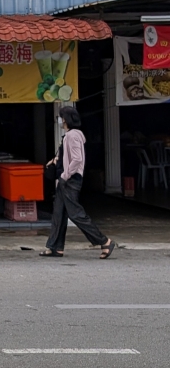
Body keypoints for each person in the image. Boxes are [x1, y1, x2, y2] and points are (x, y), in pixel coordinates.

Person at [41, 107, 115, 259]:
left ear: (66, 119)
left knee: (76, 214)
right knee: (58, 214)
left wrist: (65, 175)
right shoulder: (69, 135)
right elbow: (67, 156)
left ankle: (105, 241)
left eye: (61, 117)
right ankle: (55, 247)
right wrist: (56, 161)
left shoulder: (73, 136)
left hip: (70, 180)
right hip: (66, 180)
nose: (59, 120)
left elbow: (77, 159)